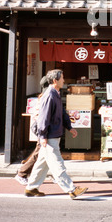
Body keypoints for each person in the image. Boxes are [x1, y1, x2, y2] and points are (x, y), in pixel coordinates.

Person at [24, 69, 88, 199]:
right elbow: (43, 118)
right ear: (55, 81)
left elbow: (62, 113)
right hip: (50, 136)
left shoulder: (56, 93)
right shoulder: (49, 95)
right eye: (62, 78)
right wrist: (42, 136)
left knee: (42, 164)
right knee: (57, 164)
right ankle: (71, 189)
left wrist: (69, 127)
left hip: (53, 134)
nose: (63, 80)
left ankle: (31, 188)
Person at [15, 76, 49, 185]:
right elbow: (43, 117)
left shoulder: (43, 96)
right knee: (38, 153)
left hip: (42, 129)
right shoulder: (46, 97)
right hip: (42, 129)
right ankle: (22, 173)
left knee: (46, 153)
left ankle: (50, 174)